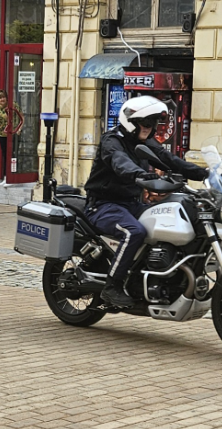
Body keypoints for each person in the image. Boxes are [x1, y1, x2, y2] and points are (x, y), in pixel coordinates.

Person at [84, 96, 209, 308]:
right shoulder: (112, 140)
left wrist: (205, 174)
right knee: (134, 232)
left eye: (153, 123)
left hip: (132, 204)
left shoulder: (145, 143)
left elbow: (170, 160)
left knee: (166, 222)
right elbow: (119, 160)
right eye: (146, 122)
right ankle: (112, 286)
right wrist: (139, 175)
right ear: (130, 121)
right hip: (103, 205)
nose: (150, 128)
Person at [0, 90, 23, 184]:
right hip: (2, 134)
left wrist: (19, 129)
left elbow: (22, 117)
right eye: (0, 98)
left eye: (3, 97)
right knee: (5, 155)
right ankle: (6, 177)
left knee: (13, 154)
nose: (2, 99)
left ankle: (14, 176)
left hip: (13, 133)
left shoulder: (13, 105)